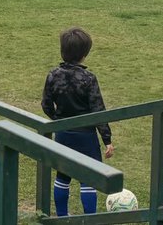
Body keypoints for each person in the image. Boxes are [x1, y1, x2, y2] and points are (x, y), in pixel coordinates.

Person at [42, 27, 115, 216]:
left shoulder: (53, 75)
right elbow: (98, 110)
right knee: (88, 178)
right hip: (86, 136)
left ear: (62, 50)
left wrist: (57, 121)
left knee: (62, 176)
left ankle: (61, 217)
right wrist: (107, 139)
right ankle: (89, 219)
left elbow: (46, 105)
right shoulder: (88, 79)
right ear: (84, 54)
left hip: (63, 134)